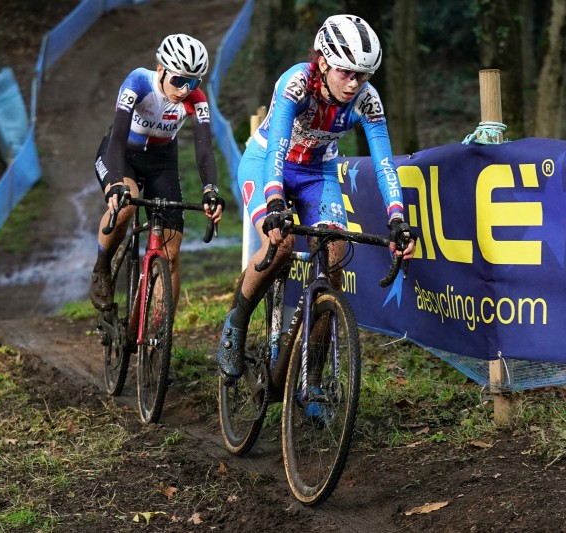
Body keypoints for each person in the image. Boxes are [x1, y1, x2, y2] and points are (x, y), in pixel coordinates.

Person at [215, 14, 415, 382]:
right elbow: (277, 145)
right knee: (281, 244)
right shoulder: (296, 83)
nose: (354, 83)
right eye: (346, 72)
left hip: (317, 174)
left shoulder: (367, 101)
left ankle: (313, 381)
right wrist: (275, 201)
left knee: (333, 263)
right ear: (322, 62)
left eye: (364, 75)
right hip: (266, 163)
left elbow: (385, 164)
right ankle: (236, 324)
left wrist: (397, 219)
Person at [90, 33, 224, 311]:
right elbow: (117, 137)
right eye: (179, 80)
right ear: (161, 70)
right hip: (122, 155)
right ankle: (102, 268)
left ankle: (160, 337)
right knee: (126, 207)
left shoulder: (196, 100)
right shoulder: (138, 81)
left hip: (162, 162)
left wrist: (210, 188)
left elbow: (204, 151)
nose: (185, 89)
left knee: (171, 254)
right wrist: (116, 182)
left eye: (194, 81)